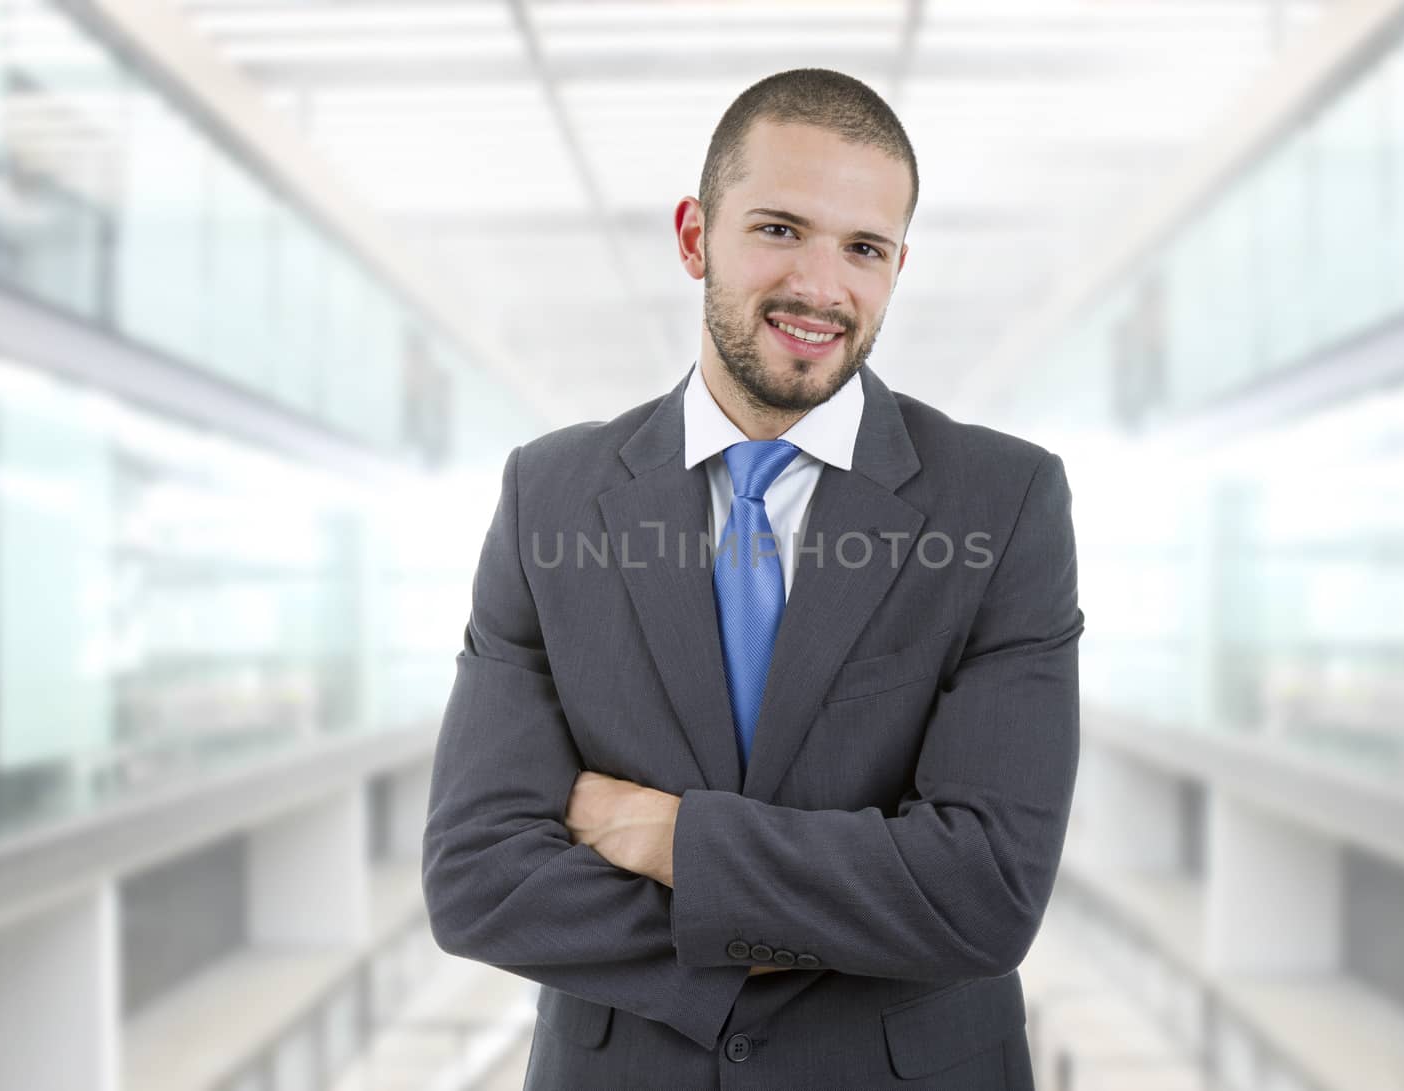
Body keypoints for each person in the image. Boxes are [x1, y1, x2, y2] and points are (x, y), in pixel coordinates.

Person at [422, 67, 1082, 1091]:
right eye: (780, 229)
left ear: (899, 265)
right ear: (694, 237)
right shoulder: (550, 496)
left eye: (863, 248)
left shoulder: (1002, 504)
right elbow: (477, 879)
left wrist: (660, 831)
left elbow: (985, 891)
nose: (822, 287)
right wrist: (828, 916)